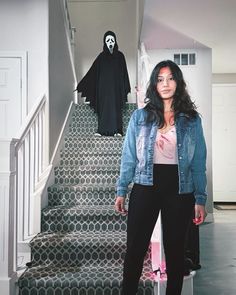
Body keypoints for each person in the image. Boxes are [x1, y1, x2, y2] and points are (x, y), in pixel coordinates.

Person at [115, 60, 207, 295]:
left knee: (176, 252)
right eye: (160, 79)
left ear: (178, 82)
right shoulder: (139, 117)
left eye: (170, 78)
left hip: (180, 189)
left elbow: (198, 162)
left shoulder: (192, 119)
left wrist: (200, 198)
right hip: (145, 186)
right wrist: (122, 189)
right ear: (154, 84)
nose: (165, 84)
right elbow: (129, 156)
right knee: (135, 249)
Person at [76, 31, 130, 136]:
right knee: (104, 109)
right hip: (103, 90)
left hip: (116, 89)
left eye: (112, 40)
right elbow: (93, 72)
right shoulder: (101, 57)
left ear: (115, 41)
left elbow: (124, 73)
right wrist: (82, 85)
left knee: (116, 108)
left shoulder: (120, 56)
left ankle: (118, 131)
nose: (110, 42)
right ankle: (101, 130)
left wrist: (124, 87)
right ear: (105, 42)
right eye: (108, 40)